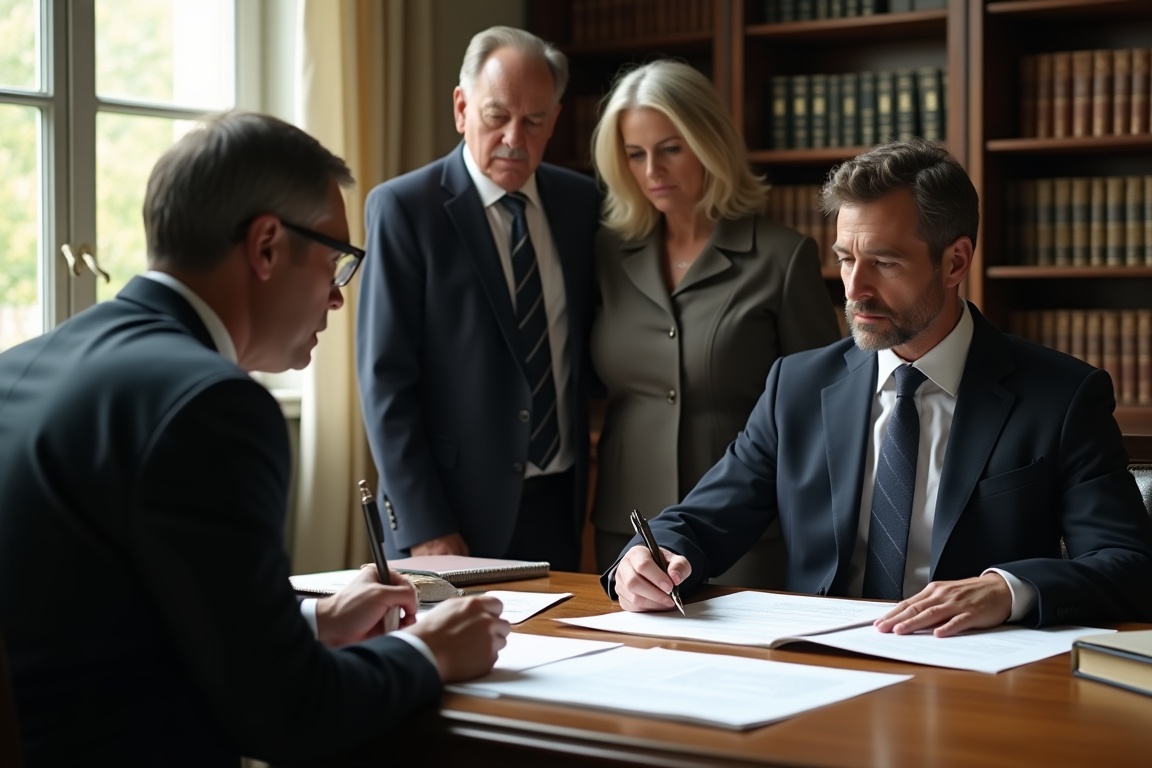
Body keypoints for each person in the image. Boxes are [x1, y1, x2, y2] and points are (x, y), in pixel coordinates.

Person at [0, 111, 510, 767]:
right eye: (335, 261)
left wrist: (311, 622)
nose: (337, 297)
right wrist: (429, 651)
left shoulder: (18, 368)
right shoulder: (211, 406)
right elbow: (289, 715)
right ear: (267, 246)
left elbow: (105, 623)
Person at [604, 139, 1152, 636]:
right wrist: (646, 559)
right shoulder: (796, 387)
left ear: (955, 262)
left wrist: (1007, 589)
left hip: (971, 677)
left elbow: (1133, 569)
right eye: (846, 259)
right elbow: (699, 522)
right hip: (820, 669)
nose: (855, 289)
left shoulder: (1061, 397)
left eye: (884, 262)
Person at [588, 60, 838, 588]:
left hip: (742, 534)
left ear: (708, 142)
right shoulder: (607, 253)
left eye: (670, 148)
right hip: (627, 526)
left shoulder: (782, 256)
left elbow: (823, 406)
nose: (652, 170)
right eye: (635, 154)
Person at [357, 26, 599, 570]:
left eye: (534, 121)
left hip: (557, 502)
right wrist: (426, 526)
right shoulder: (405, 208)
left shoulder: (581, 203)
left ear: (554, 121)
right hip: (449, 515)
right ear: (462, 108)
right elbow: (384, 382)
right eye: (497, 116)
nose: (515, 137)